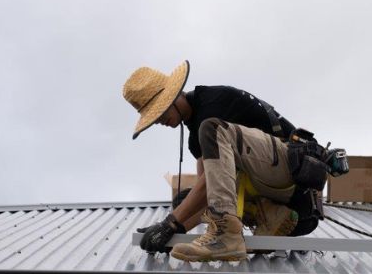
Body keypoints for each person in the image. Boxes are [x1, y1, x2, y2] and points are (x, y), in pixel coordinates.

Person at [122, 60, 315, 262]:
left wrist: (170, 223)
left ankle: (228, 236)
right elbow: (208, 193)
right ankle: (269, 215)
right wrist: (170, 235)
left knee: (210, 130)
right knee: (186, 200)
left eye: (160, 112)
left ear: (173, 97)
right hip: (290, 208)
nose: (159, 121)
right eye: (154, 119)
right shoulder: (195, 138)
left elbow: (208, 186)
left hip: (297, 181)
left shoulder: (214, 102)